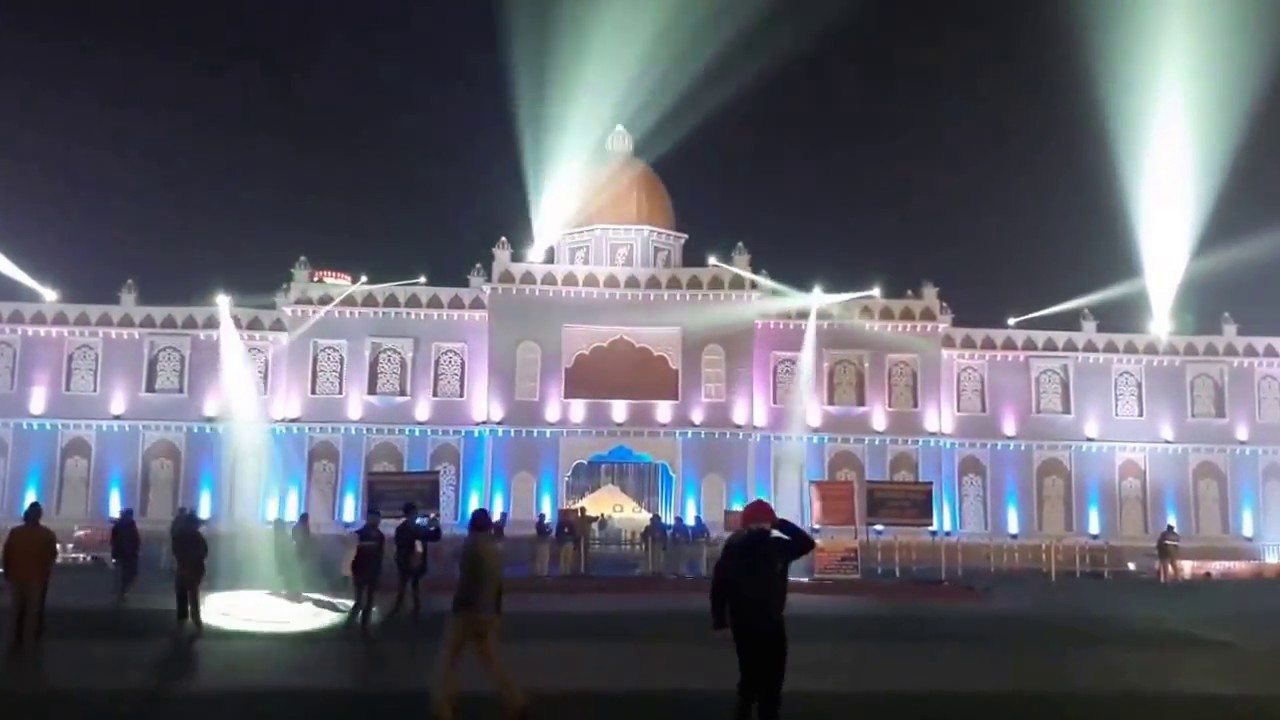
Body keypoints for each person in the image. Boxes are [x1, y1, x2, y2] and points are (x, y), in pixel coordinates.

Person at [711, 499, 816, 720]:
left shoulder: (733, 548)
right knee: (773, 679)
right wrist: (780, 524)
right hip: (771, 621)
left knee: (749, 676)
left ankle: (744, 713)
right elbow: (807, 543)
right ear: (770, 522)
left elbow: (719, 587)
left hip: (742, 621)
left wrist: (720, 621)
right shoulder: (777, 547)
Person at [434, 508, 528, 720]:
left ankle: (443, 707)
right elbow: (497, 585)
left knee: (448, 659)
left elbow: (467, 581)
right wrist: (495, 613)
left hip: (467, 612)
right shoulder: (494, 550)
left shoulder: (471, 547)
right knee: (492, 662)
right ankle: (515, 701)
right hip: (488, 613)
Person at [3, 502, 58, 653]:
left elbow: (7, 554)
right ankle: (29, 643)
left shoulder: (15, 533)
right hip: (36, 578)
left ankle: (13, 641)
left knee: (15, 611)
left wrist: (7, 572)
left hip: (16, 576)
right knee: (31, 613)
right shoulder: (47, 534)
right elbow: (52, 555)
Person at [389, 503, 442, 618]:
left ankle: (411, 609)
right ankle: (404, 608)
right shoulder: (409, 529)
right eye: (414, 513)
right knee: (408, 585)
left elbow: (434, 536)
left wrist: (435, 527)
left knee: (411, 585)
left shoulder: (410, 528)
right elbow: (432, 536)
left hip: (411, 561)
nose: (415, 516)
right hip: (407, 561)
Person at [171, 513, 209, 637]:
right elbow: (204, 551)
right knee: (192, 593)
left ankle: (183, 619)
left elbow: (176, 549)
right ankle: (195, 618)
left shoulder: (180, 535)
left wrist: (182, 560)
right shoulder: (196, 536)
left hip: (184, 567)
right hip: (193, 568)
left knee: (182, 592)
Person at [348, 509, 385, 630]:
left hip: (369, 570)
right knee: (361, 600)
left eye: (378, 519)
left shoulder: (379, 535)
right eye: (374, 518)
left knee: (367, 600)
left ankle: (361, 624)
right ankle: (353, 624)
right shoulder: (359, 534)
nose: (377, 521)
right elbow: (351, 551)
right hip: (361, 569)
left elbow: (380, 555)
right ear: (369, 518)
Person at [110, 508, 142, 602]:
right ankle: (122, 591)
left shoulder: (118, 525)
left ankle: (120, 591)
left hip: (120, 553)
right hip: (129, 554)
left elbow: (113, 540)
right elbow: (136, 540)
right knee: (129, 573)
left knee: (120, 573)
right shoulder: (130, 525)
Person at [292, 512, 314, 588]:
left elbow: (293, 537)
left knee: (297, 567)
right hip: (302, 549)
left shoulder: (295, 526)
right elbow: (307, 539)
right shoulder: (305, 527)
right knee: (301, 568)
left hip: (297, 548)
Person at [554, 511, 576, 575]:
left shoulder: (570, 524)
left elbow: (573, 533)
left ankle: (566, 571)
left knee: (567, 558)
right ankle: (563, 571)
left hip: (568, 542)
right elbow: (558, 534)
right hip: (564, 542)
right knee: (563, 558)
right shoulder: (561, 524)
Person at [533, 512, 552, 577]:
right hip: (544, 542)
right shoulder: (541, 525)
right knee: (544, 558)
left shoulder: (538, 524)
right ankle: (543, 572)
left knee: (540, 558)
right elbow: (544, 533)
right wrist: (550, 530)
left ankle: (539, 572)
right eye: (544, 517)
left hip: (540, 542)